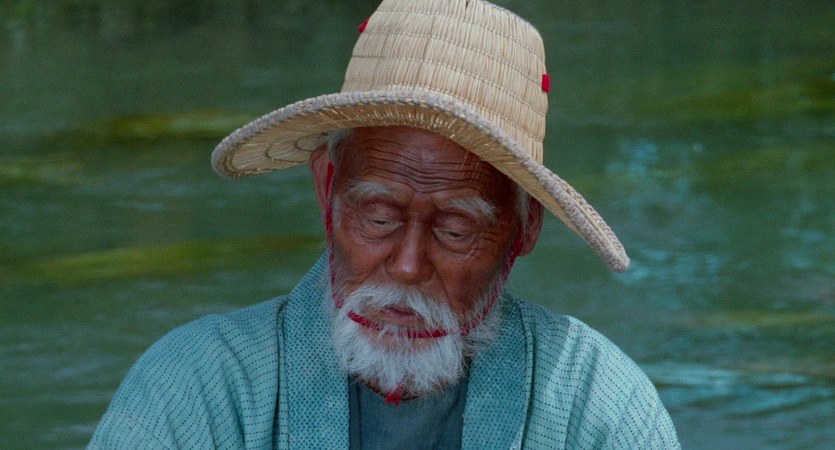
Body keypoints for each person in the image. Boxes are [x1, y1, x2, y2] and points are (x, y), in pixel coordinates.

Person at [89, 0, 680, 448]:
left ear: (524, 230)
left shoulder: (596, 408)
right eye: (378, 217)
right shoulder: (193, 392)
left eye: (456, 230)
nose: (407, 266)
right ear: (327, 189)